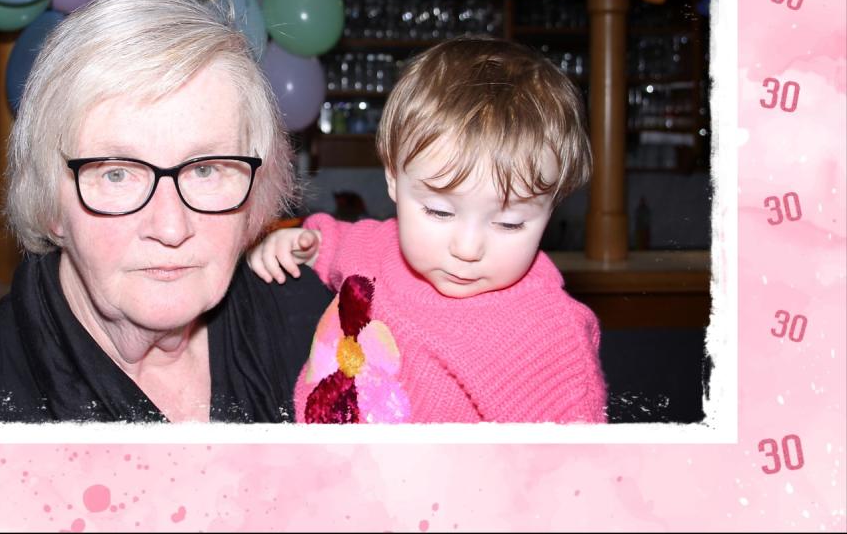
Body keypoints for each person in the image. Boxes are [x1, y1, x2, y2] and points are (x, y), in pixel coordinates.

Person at [0, 0, 332, 423]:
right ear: (51, 204)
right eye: (117, 174)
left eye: (205, 169)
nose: (170, 228)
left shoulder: (319, 328)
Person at [248, 36, 607, 424]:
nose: (467, 248)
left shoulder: (545, 337)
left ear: (552, 206)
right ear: (393, 179)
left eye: (509, 223)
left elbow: (574, 457)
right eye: (439, 212)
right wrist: (303, 244)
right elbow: (337, 242)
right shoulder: (378, 247)